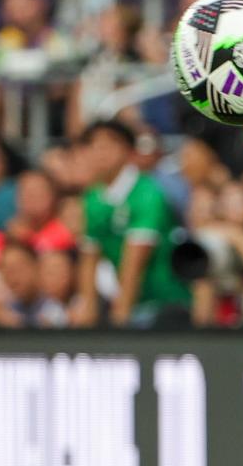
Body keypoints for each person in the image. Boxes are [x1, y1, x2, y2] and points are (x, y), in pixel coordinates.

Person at [79, 117, 192, 326]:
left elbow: (135, 259)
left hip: (167, 301)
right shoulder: (92, 198)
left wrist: (121, 316)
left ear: (128, 150)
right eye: (94, 146)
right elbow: (89, 256)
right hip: (130, 302)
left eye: (108, 145)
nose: (100, 153)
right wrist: (87, 308)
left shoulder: (148, 193)